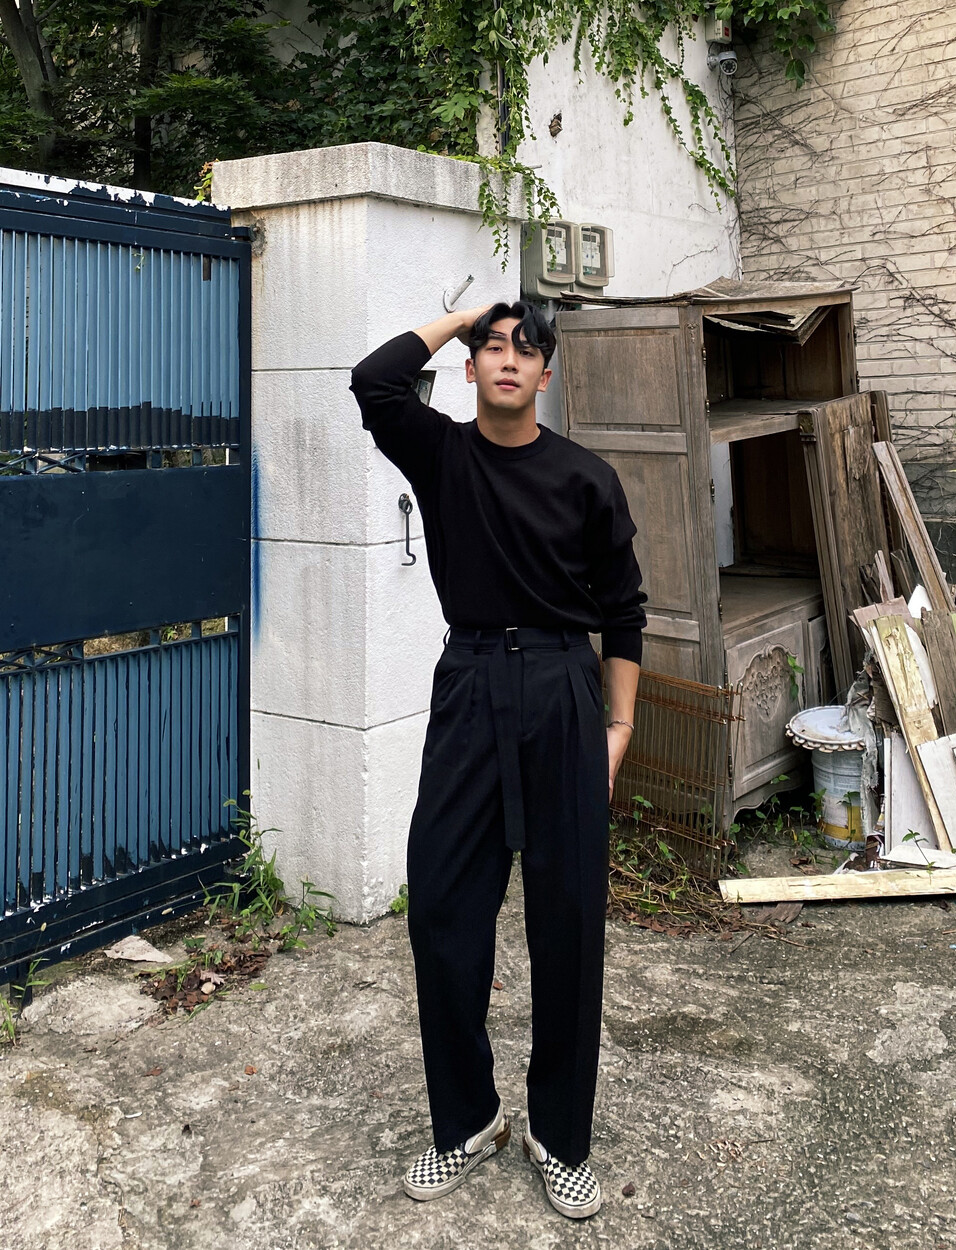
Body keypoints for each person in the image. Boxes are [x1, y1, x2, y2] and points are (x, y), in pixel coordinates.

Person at [350, 299, 646, 1220]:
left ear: (546, 375)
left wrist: (618, 728)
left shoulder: (587, 478)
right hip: (471, 687)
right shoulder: (442, 456)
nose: (508, 358)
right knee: (443, 908)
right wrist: (461, 316)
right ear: (473, 367)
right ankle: (468, 1121)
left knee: (569, 921)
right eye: (494, 347)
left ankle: (559, 1136)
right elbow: (374, 382)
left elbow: (624, 613)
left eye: (526, 349)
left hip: (563, 691)